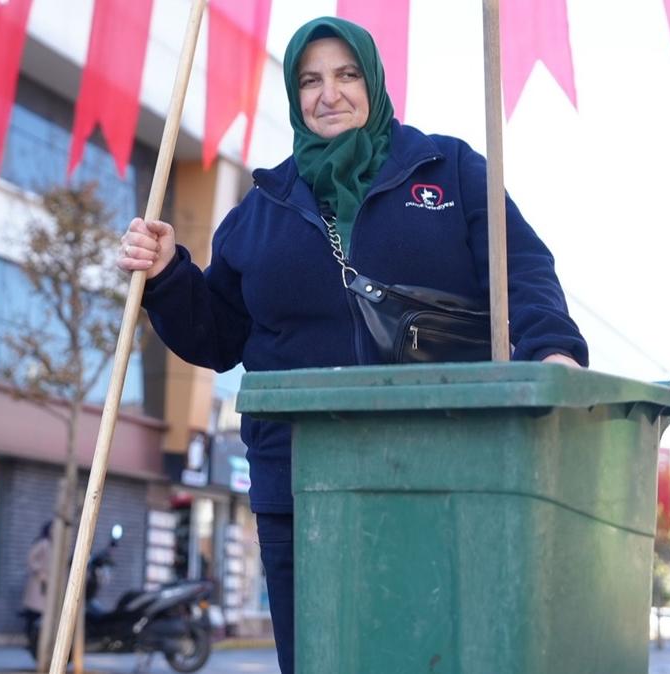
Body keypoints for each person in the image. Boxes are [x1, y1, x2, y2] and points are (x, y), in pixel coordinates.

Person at [118, 17, 588, 674]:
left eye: (346, 75)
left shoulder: (446, 169)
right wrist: (169, 276)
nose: (328, 94)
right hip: (301, 487)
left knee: (435, 655)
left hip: (444, 469)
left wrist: (553, 353)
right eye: (310, 80)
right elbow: (219, 337)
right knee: (321, 659)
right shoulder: (263, 206)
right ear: (294, 95)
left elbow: (524, 273)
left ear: (372, 82)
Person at [21, 522, 52, 620]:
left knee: (43, 608)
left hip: (48, 580)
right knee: (35, 608)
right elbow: (31, 558)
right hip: (39, 580)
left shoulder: (54, 545)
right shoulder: (43, 543)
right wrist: (39, 570)